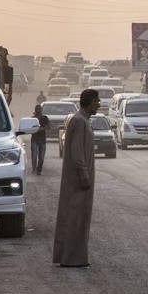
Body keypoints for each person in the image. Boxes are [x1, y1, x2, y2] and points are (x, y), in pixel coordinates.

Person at [52, 88, 100, 268]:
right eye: (96, 102)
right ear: (89, 102)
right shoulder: (80, 121)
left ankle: (73, 256)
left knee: (77, 217)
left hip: (79, 178)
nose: (98, 105)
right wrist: (84, 174)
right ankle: (72, 258)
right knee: (76, 218)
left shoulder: (81, 120)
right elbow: (77, 152)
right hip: (78, 180)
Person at [30, 104, 50, 175]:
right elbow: (30, 129)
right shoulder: (32, 119)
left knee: (41, 157)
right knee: (34, 156)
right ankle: (34, 168)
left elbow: (48, 127)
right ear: (35, 110)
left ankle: (39, 170)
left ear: (41, 110)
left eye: (39, 109)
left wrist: (41, 129)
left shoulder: (44, 118)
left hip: (42, 140)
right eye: (37, 109)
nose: (38, 110)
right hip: (34, 139)